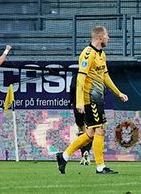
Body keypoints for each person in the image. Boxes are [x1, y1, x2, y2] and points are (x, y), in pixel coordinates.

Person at [56, 26, 129, 175]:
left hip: (97, 97)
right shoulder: (87, 54)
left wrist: (118, 93)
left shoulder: (101, 54)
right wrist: (79, 101)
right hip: (91, 97)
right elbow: (81, 78)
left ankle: (64, 156)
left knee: (90, 134)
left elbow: (105, 76)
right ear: (100, 37)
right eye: (107, 35)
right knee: (100, 130)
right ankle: (100, 167)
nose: (109, 38)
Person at [68, 65, 92, 166]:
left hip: (78, 105)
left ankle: (83, 154)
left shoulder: (76, 76)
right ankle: (87, 153)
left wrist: (71, 100)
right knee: (89, 130)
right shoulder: (91, 75)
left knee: (81, 129)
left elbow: (72, 88)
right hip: (89, 104)